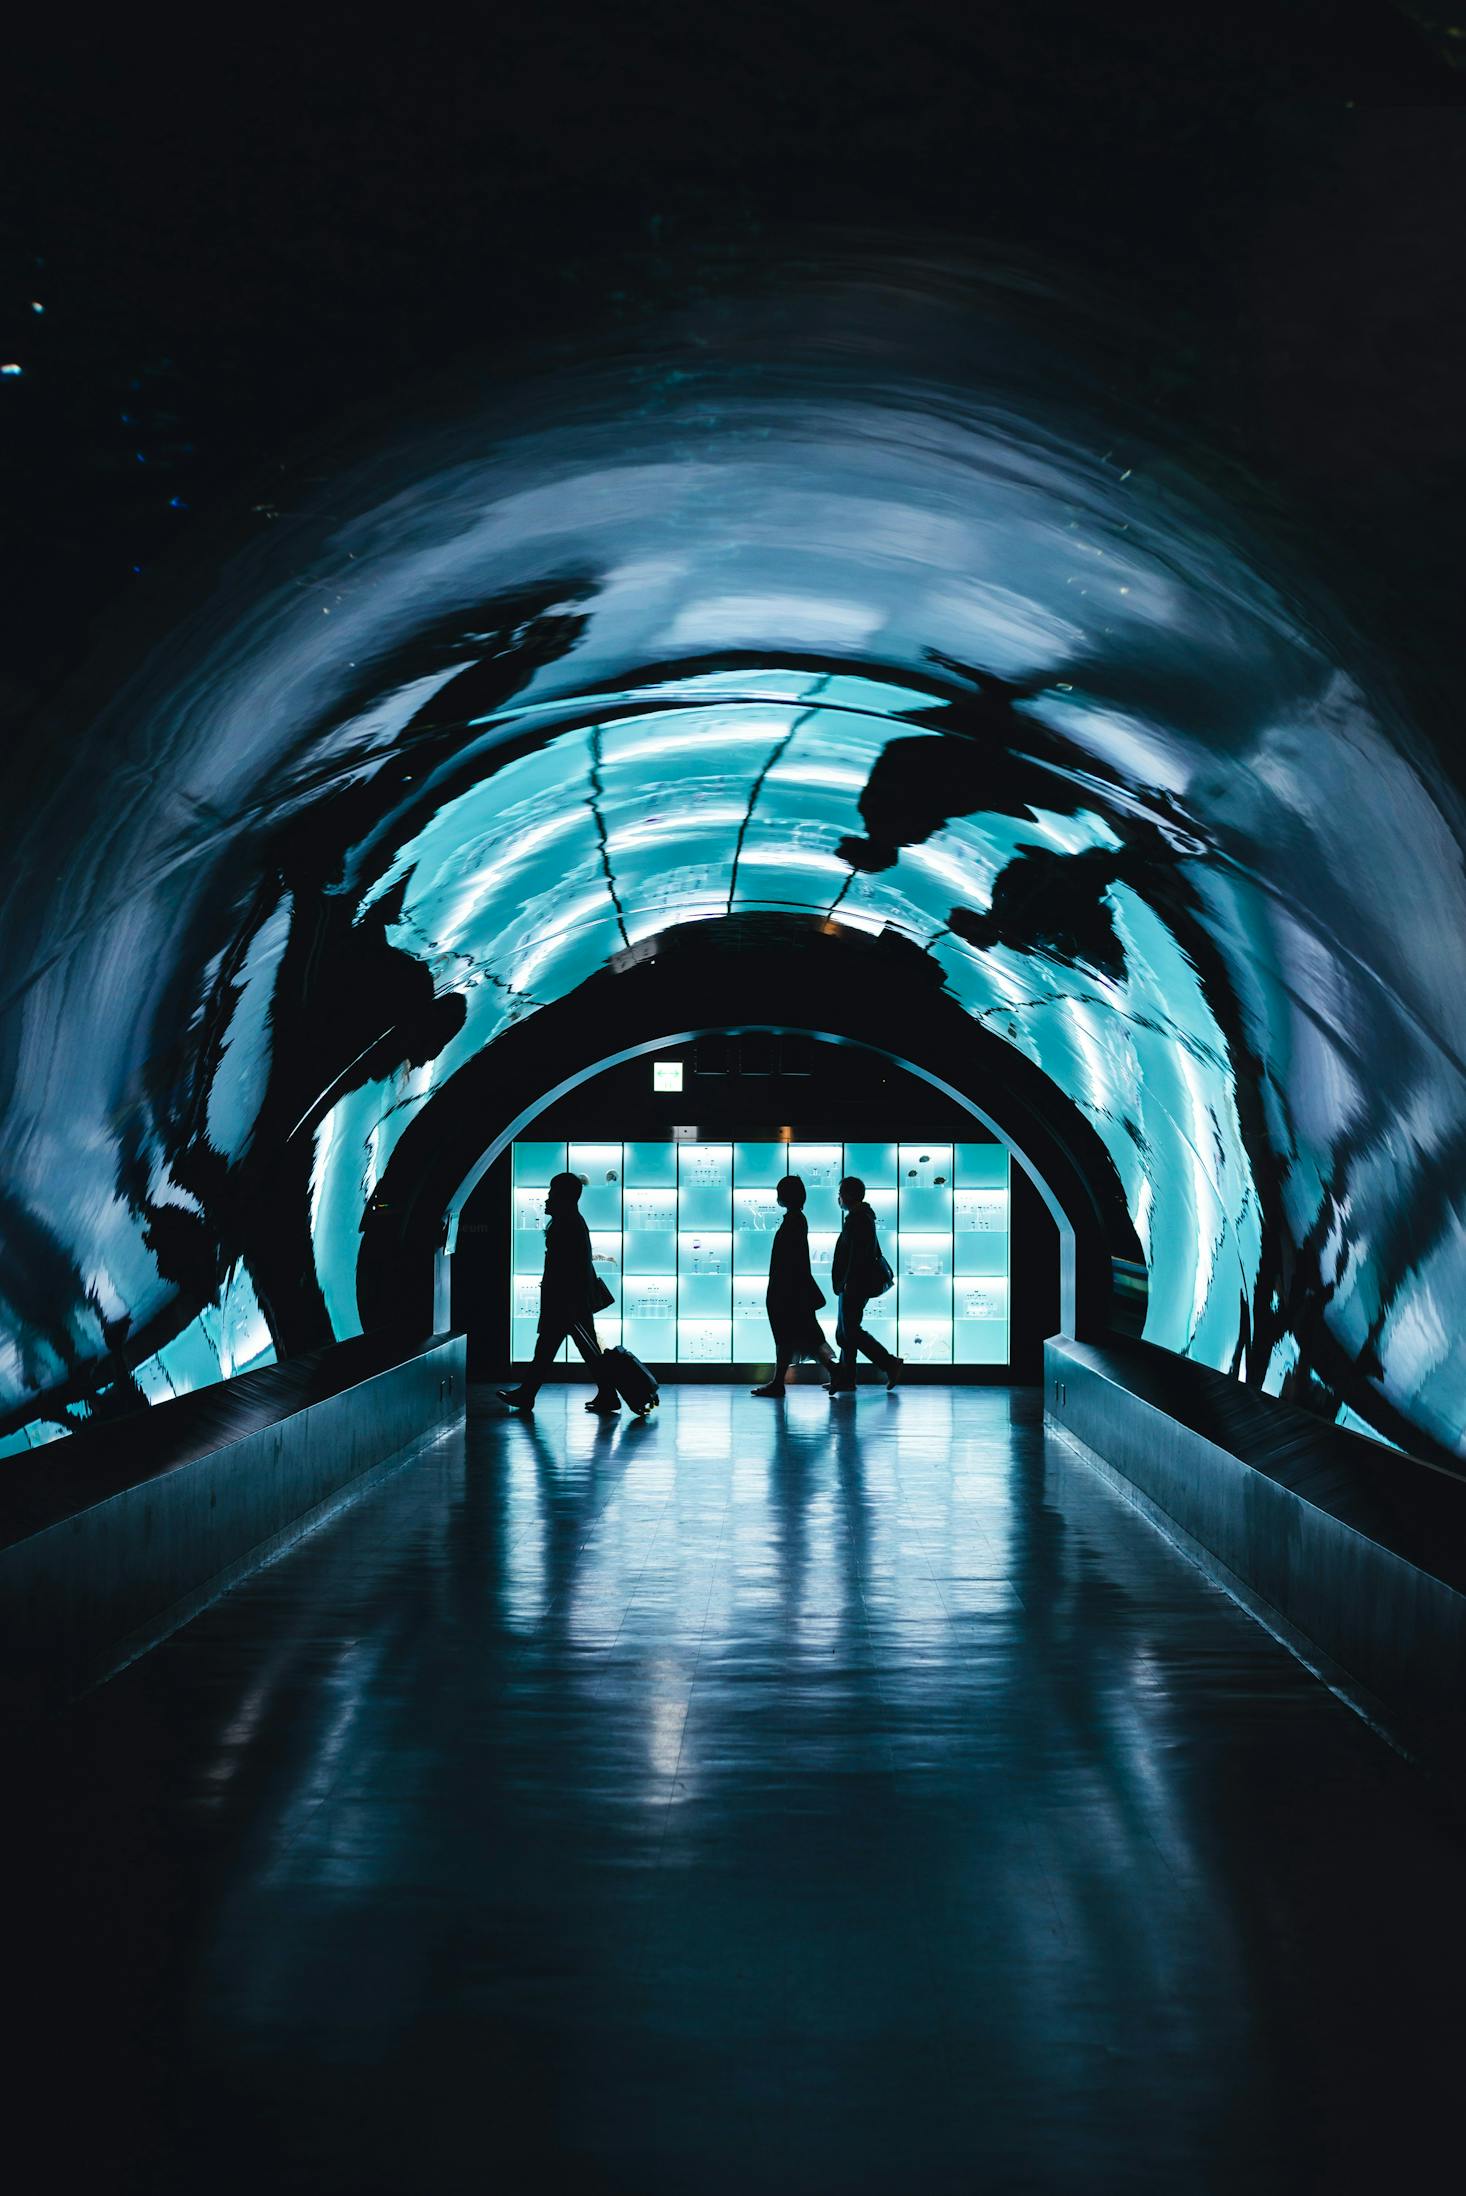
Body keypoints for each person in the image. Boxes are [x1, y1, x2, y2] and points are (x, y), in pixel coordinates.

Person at [500, 1172, 620, 1414]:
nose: (547, 1199)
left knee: (548, 1349)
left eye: (551, 1194)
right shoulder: (573, 1222)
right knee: (582, 1349)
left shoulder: (565, 1225)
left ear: (563, 1197)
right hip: (574, 1300)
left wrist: (563, 1301)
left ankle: (527, 1394)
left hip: (565, 1302)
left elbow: (565, 1268)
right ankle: (607, 1395)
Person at [751, 1175, 837, 1398]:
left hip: (787, 1291)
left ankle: (779, 1383)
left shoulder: (793, 1221)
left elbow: (789, 1261)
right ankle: (835, 1373)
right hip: (795, 1291)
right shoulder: (797, 1219)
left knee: (788, 1337)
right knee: (807, 1337)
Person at [828, 1175, 903, 1394]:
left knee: (849, 1331)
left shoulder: (858, 1219)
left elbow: (857, 1256)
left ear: (849, 1195)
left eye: (840, 1193)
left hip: (854, 1284)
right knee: (845, 1332)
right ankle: (847, 1379)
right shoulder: (861, 1216)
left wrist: (847, 1282)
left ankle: (889, 1363)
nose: (838, 1198)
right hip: (853, 1283)